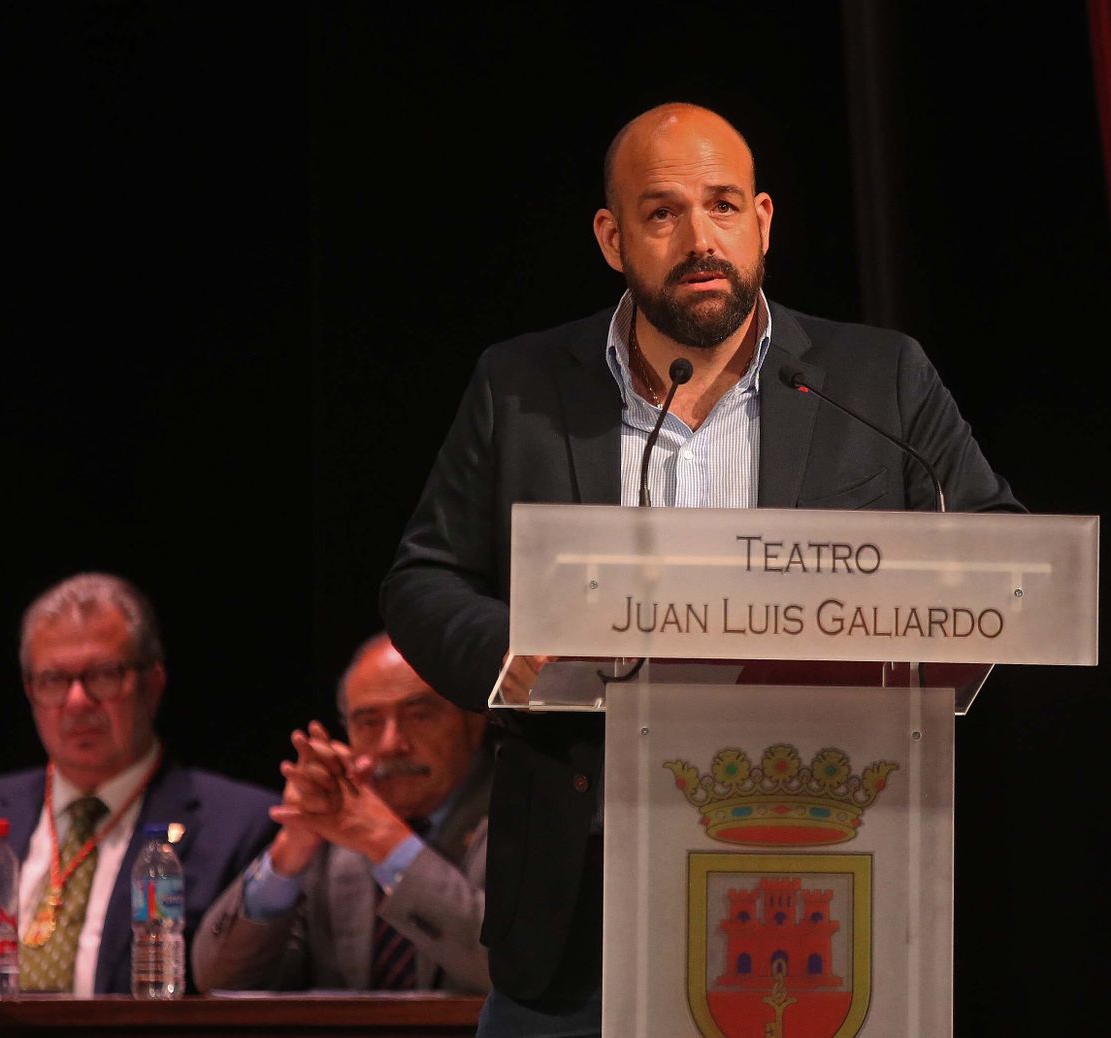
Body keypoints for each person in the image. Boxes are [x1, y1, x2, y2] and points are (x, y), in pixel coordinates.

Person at [379, 102, 1023, 1035]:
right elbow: (421, 577)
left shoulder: (878, 380)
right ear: (612, 238)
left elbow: (996, 559)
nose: (699, 238)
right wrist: (507, 653)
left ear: (764, 221)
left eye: (723, 206)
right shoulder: (520, 387)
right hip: (575, 912)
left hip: (818, 873)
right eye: (661, 213)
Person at [0, 572, 279, 994]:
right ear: (30, 692)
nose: (77, 701)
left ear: (152, 685)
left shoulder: (240, 827)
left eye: (103, 675)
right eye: (54, 680)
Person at [192, 633, 493, 994]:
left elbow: (515, 971)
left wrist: (388, 843)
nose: (391, 744)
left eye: (420, 715)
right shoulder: (336, 840)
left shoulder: (526, 817)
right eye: (368, 723)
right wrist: (292, 847)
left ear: (474, 723)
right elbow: (217, 980)